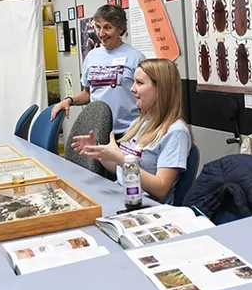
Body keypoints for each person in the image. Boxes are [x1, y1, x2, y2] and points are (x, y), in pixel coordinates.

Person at [71, 58, 191, 204]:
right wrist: (102, 153)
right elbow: (121, 171)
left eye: (139, 83)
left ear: (161, 89)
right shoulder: (138, 123)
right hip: (121, 197)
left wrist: (122, 160)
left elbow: (161, 188)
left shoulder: (176, 132)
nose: (132, 88)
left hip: (147, 207)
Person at [52, 4, 145, 137]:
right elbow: (88, 93)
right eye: (98, 27)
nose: (101, 33)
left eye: (108, 27)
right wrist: (69, 100)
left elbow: (148, 98)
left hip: (129, 132)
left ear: (121, 29)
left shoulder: (136, 58)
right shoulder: (92, 56)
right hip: (98, 131)